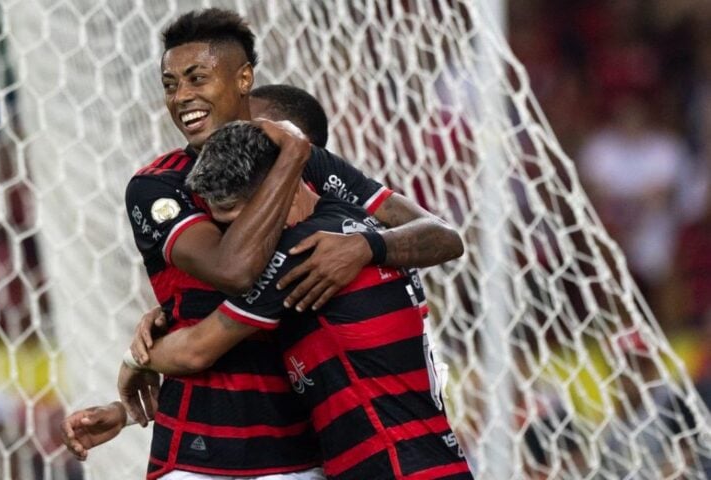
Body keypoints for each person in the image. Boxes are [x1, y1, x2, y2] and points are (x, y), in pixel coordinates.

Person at [64, 7, 463, 478]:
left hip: (307, 451)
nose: (182, 97)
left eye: (197, 78)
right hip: (201, 455)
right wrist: (138, 372)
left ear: (244, 79)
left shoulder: (306, 169)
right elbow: (234, 272)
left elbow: (442, 236)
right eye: (171, 84)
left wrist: (365, 247)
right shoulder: (159, 186)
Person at [122, 121, 471, 479]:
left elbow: (195, 351)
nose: (238, 240)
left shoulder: (301, 253)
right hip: (437, 460)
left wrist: (135, 361)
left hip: (389, 466)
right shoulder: (366, 227)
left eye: (242, 222)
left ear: (277, 192)